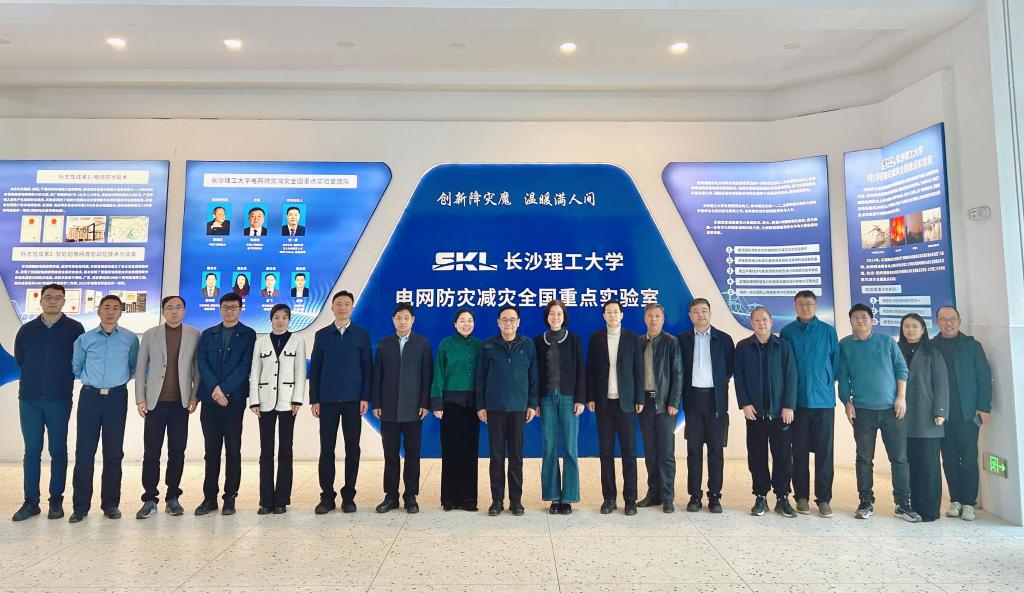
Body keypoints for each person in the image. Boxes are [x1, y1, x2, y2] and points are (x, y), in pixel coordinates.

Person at [839, 304, 919, 521]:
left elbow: (901, 369)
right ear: (851, 321)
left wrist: (901, 397)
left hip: (892, 410)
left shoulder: (886, 341)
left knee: (899, 458)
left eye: (864, 317)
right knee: (864, 458)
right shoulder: (845, 345)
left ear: (872, 320)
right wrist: (846, 402)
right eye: (855, 317)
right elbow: (843, 375)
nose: (860, 321)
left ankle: (903, 504)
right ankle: (866, 502)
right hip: (862, 411)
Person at [12, 284, 84, 522]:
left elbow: (78, 360)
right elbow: (21, 359)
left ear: (64, 302)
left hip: (59, 399)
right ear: (40, 300)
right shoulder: (27, 330)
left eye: (58, 298)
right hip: (29, 399)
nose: (53, 301)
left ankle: (56, 501)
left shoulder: (75, 329)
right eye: (48, 297)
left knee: (58, 450)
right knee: (32, 451)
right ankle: (31, 502)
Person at [69, 294, 140, 523]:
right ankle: (80, 507)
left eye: (115, 308)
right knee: (84, 452)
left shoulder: (130, 339)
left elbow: (133, 367)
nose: (110, 311)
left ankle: (110, 504)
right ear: (98, 311)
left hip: (116, 398)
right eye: (106, 307)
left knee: (113, 453)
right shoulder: (85, 339)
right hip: (90, 397)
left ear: (121, 312)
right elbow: (76, 367)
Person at [133, 295, 201, 519]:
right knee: (151, 452)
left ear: (184, 310)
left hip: (181, 403)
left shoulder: (194, 334)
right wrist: (140, 399)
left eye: (178, 307)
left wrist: (194, 396)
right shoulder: (150, 334)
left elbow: (197, 369)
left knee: (177, 451)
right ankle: (149, 498)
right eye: (170, 307)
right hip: (155, 403)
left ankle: (173, 497)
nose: (174, 311)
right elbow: (141, 367)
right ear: (163, 311)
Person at [194, 292, 257, 517]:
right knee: (211, 450)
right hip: (210, 400)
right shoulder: (208, 334)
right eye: (225, 307)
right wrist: (215, 389)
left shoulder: (248, 334)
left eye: (233, 307)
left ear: (240, 309)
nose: (229, 311)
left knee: (232, 449)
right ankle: (209, 498)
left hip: (234, 400)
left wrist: (225, 389)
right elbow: (202, 363)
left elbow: (245, 365)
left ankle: (230, 497)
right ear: (220, 309)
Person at [309, 290, 372, 514]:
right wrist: (314, 399)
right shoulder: (322, 335)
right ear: (332, 308)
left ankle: (349, 496)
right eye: (338, 304)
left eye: (346, 304)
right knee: (327, 448)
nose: (342, 308)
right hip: (327, 400)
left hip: (353, 401)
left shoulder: (361, 334)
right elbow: (315, 369)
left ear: (352, 308)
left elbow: (367, 368)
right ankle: (327, 497)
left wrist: (365, 397)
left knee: (352, 449)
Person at [779, 290, 840, 517]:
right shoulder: (787, 332)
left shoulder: (828, 331)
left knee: (825, 452)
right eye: (801, 304)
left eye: (810, 304)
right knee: (799, 451)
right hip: (797, 402)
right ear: (795, 306)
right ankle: (801, 497)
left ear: (816, 306)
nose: (805, 307)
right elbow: (784, 365)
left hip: (823, 402)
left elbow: (835, 364)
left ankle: (823, 499)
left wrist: (824, 380)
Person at [734, 306, 798, 518]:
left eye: (764, 320)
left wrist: (789, 405)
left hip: (780, 413)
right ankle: (760, 496)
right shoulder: (743, 347)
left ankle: (782, 497)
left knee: (783, 457)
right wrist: (745, 403)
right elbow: (739, 377)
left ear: (771, 322)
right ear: (751, 323)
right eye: (757, 320)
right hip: (755, 414)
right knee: (757, 456)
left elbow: (791, 376)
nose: (761, 324)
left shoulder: (783, 346)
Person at [477, 305, 538, 516]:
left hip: (519, 408)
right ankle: (497, 500)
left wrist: (532, 404)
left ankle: (516, 500)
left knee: (516, 456)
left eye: (512, 319)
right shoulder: (488, 345)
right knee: (496, 456)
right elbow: (480, 378)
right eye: (504, 319)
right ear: (498, 322)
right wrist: (481, 405)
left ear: (518, 322)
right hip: (494, 408)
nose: (508, 323)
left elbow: (534, 377)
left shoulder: (528, 345)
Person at [933, 305, 993, 521]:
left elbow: (984, 377)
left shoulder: (972, 346)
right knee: (948, 458)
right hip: (942, 414)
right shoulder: (931, 346)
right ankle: (955, 500)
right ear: (937, 322)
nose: (948, 323)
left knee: (968, 458)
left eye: (952, 319)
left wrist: (984, 407)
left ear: (959, 321)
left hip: (968, 413)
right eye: (943, 319)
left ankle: (969, 502)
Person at [371, 303, 432, 514]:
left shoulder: (423, 344)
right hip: (388, 408)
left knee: (413, 453)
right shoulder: (384, 344)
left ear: (413, 320)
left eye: (406, 318)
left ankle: (410, 496)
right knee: (390, 454)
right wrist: (377, 403)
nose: (403, 321)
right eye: (399, 318)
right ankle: (391, 496)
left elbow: (427, 377)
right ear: (393, 320)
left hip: (414, 409)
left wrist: (425, 403)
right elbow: (377, 376)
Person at [586, 299, 644, 515]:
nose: (612, 315)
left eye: (615, 312)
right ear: (604, 316)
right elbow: (590, 369)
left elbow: (639, 370)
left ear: (622, 315)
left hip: (626, 403)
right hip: (603, 403)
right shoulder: (596, 338)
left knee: (629, 452)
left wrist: (639, 398)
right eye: (608, 312)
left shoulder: (632, 338)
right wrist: (590, 397)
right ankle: (609, 498)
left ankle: (630, 499)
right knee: (606, 452)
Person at [248, 304, 306, 515]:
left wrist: (297, 399)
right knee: (266, 451)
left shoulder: (297, 341)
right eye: (276, 317)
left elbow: (300, 371)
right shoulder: (261, 342)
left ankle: (281, 499)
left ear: (289, 320)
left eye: (284, 317)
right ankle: (266, 500)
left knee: (285, 450)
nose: (280, 321)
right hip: (265, 402)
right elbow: (255, 372)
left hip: (288, 402)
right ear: (270, 319)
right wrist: (254, 401)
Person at [678, 298, 734, 513]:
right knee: (693, 450)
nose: (700, 315)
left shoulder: (724, 339)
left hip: (716, 401)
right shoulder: (682, 340)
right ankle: (695, 495)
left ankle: (714, 496)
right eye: (696, 311)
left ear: (710, 313)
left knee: (715, 450)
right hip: (692, 400)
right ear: (690, 316)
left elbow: (729, 369)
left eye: (704, 311)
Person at [534, 299, 585, 515]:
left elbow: (581, 370)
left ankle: (569, 498)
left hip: (568, 398)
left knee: (570, 448)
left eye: (559, 314)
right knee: (549, 447)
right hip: (546, 398)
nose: (555, 317)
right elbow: (535, 373)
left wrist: (580, 399)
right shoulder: (539, 340)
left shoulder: (574, 339)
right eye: (552, 313)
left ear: (564, 317)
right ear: (547, 317)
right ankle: (553, 497)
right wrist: (535, 402)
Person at [898, 312, 949, 522]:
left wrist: (940, 411)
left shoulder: (932, 352)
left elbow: (941, 384)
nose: (910, 330)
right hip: (902, 416)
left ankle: (929, 510)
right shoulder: (896, 350)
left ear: (923, 329)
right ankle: (910, 507)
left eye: (915, 326)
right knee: (908, 464)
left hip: (928, 417)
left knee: (928, 465)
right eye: (906, 326)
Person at [431, 308, 483, 512]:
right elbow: (438, 374)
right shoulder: (446, 344)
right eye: (462, 320)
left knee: (470, 451)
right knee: (451, 450)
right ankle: (449, 498)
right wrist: (437, 403)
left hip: (473, 405)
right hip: (450, 404)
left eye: (470, 320)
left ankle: (469, 499)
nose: (466, 324)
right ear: (455, 324)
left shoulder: (480, 345)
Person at [637, 303, 683, 513]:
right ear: (645, 319)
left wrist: (674, 402)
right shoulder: (639, 342)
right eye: (650, 316)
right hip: (644, 403)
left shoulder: (671, 342)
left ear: (663, 319)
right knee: (650, 451)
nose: (653, 319)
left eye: (657, 316)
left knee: (666, 452)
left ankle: (667, 496)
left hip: (665, 404)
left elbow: (678, 374)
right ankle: (653, 493)